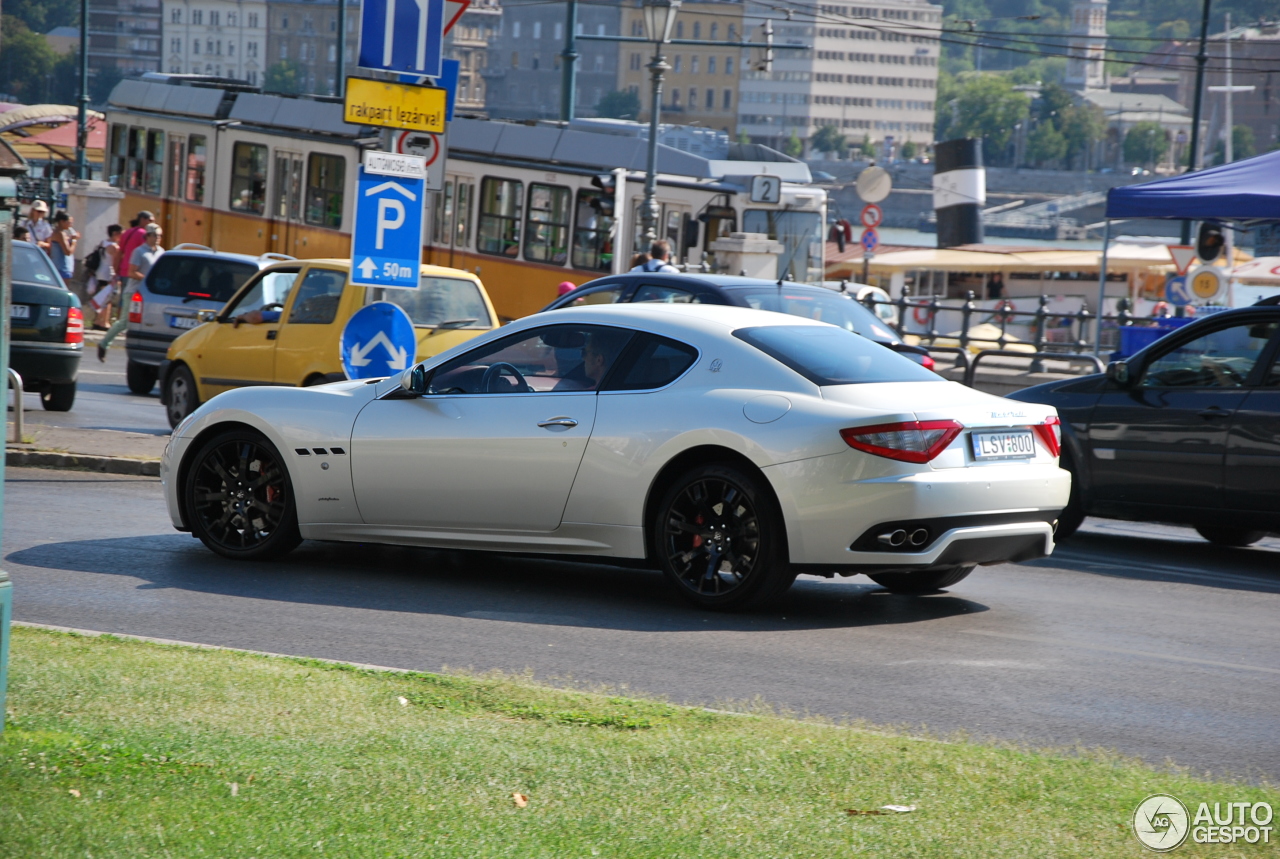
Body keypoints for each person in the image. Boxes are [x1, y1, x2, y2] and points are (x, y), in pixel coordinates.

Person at [98, 224, 164, 362]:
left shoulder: (161, 252)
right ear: (147, 236)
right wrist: (148, 279)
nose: (158, 238)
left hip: (151, 294)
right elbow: (131, 272)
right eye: (155, 235)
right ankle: (104, 344)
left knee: (150, 323)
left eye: (160, 236)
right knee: (125, 322)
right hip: (134, 292)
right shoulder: (139, 252)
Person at [86, 224, 122, 329]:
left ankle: (98, 320)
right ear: (115, 234)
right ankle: (104, 322)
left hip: (100, 272)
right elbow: (116, 262)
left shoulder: (103, 243)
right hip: (108, 274)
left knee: (102, 298)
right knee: (107, 299)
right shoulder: (115, 247)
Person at [48, 211, 78, 281]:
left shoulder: (58, 233)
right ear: (62, 222)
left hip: (60, 267)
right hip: (62, 268)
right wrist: (74, 240)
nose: (71, 225)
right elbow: (68, 252)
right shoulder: (60, 234)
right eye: (69, 222)